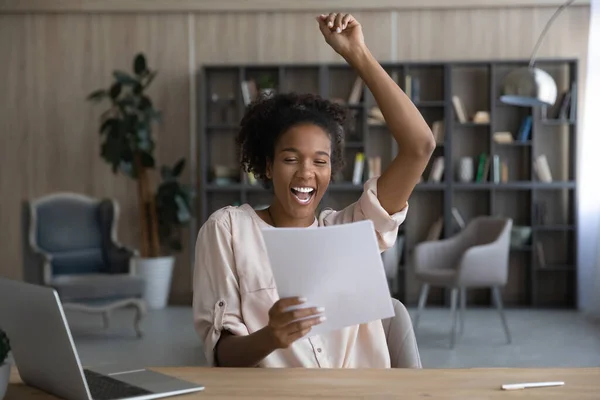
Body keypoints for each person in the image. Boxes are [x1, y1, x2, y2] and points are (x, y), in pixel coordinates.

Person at [193, 12, 435, 368]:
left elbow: (420, 146)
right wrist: (270, 337)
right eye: (291, 159)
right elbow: (221, 353)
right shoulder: (229, 230)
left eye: (320, 161)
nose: (306, 172)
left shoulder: (350, 233)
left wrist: (358, 54)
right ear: (266, 165)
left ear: (331, 170)